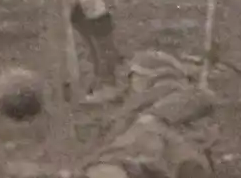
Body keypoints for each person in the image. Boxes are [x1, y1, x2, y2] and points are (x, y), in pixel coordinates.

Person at [81, 50, 218, 177]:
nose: (132, 84)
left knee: (146, 127)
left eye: (135, 77)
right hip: (164, 162)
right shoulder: (139, 109)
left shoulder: (179, 95)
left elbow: (198, 101)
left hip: (170, 156)